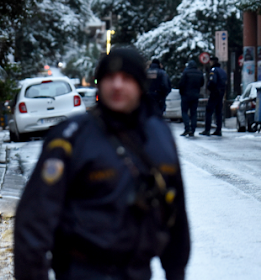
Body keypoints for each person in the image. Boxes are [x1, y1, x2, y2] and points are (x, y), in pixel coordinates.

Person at [14, 48, 190, 280]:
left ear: (140, 84)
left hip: (138, 271)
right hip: (83, 271)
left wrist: (176, 271)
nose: (117, 85)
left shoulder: (160, 135)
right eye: (109, 78)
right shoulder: (70, 137)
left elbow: (175, 214)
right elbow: (33, 222)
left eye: (126, 78)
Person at [200, 57, 227, 136]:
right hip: (221, 92)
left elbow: (212, 81)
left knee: (209, 111)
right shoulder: (222, 71)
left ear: (212, 62)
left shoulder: (213, 70)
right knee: (219, 112)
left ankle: (207, 129)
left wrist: (209, 87)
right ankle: (219, 129)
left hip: (215, 92)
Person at [178, 60, 204, 137]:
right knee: (193, 112)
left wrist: (182, 92)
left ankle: (187, 128)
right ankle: (192, 129)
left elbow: (181, 84)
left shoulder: (186, 73)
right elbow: (202, 83)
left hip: (186, 95)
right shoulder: (199, 73)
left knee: (185, 112)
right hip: (195, 95)